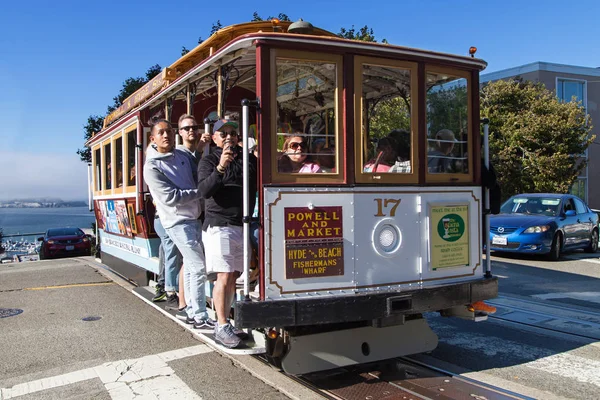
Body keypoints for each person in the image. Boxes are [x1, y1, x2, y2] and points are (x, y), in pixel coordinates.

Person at [143, 119, 215, 331]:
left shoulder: (182, 155)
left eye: (169, 131)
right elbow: (171, 197)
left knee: (193, 268)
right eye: (161, 133)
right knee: (198, 266)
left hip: (194, 218)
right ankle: (200, 315)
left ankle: (194, 312)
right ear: (153, 138)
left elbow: (198, 171)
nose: (166, 135)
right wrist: (202, 192)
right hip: (176, 222)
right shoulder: (152, 166)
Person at [198, 119, 257, 348]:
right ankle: (221, 325)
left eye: (232, 132)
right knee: (223, 276)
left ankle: (227, 323)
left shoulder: (247, 158)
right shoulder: (209, 160)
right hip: (219, 224)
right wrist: (221, 167)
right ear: (214, 138)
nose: (229, 137)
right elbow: (204, 190)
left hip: (241, 224)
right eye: (223, 133)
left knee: (233, 275)